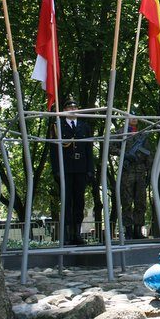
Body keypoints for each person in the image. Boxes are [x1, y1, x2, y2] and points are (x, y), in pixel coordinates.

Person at [50, 98, 95, 245]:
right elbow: (54, 149)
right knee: (67, 201)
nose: (73, 110)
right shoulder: (58, 126)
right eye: (70, 108)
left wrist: (90, 169)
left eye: (75, 107)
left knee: (79, 202)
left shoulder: (84, 126)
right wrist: (56, 169)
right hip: (66, 168)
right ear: (64, 111)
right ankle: (68, 234)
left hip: (81, 168)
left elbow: (89, 149)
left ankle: (77, 232)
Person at [118, 115, 152, 239]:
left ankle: (138, 230)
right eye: (131, 116)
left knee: (141, 202)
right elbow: (110, 147)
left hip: (141, 172)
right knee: (126, 201)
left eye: (136, 117)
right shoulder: (120, 132)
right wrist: (125, 155)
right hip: (127, 171)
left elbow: (148, 153)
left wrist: (150, 172)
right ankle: (128, 231)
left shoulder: (142, 133)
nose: (134, 119)